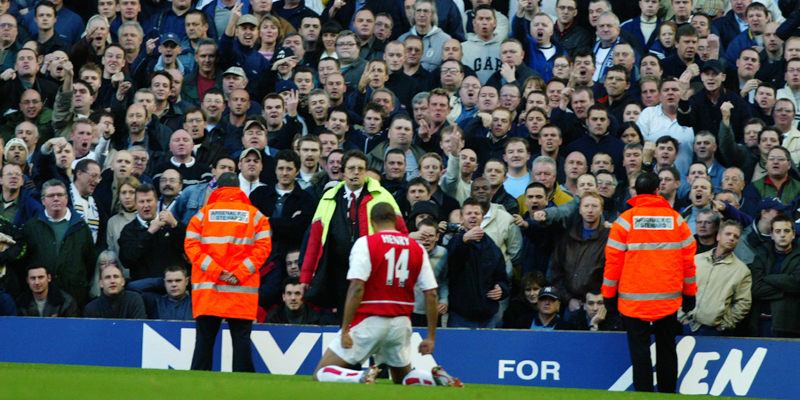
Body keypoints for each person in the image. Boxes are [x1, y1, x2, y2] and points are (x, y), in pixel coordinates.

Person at [313, 202, 461, 387]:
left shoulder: (366, 243)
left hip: (370, 320)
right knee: (402, 377)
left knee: (320, 373)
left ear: (372, 221)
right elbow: (431, 294)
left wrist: (345, 329)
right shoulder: (416, 248)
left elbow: (357, 287)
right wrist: (431, 336)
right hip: (401, 323)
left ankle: (360, 377)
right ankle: (434, 379)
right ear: (395, 220)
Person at [603, 171, 697, 393]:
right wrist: (689, 293)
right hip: (668, 300)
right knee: (667, 349)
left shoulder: (624, 222)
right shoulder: (676, 220)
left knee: (640, 351)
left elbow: (612, 263)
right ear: (657, 190)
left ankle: (643, 395)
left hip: (632, 300)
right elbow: (688, 262)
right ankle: (667, 395)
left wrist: (608, 295)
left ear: (636, 191)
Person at [302, 150, 407, 313]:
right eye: (351, 168)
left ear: (366, 172)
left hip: (373, 273)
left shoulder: (383, 196)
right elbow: (315, 240)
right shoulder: (328, 197)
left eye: (360, 168)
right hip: (337, 275)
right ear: (343, 172)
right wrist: (306, 277)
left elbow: (401, 237)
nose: (356, 172)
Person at [187, 172, 272, 372]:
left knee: (204, 343)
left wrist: (217, 272)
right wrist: (239, 273)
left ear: (217, 189)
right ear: (239, 189)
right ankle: (244, 390)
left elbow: (191, 246)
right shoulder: (256, 216)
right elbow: (263, 249)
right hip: (241, 290)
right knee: (241, 341)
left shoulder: (202, 215)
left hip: (209, 290)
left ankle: (195, 387)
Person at [679, 220, 751, 336]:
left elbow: (743, 302)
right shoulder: (697, 260)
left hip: (717, 331)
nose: (732, 238)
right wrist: (682, 318)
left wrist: (723, 325)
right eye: (728, 234)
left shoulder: (742, 270)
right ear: (718, 236)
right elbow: (679, 287)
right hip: (688, 326)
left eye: (736, 236)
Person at [446, 199, 510, 328]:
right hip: (460, 316)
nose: (473, 216)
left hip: (487, 318)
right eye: (468, 213)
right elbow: (452, 262)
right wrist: (464, 240)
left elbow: (502, 278)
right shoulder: (454, 242)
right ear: (461, 219)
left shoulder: (492, 248)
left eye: (477, 213)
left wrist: (501, 290)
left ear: (482, 219)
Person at [127, 265, 193, 320]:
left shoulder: (195, 302)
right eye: (169, 281)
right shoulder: (155, 301)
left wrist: (193, 281)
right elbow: (133, 287)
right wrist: (161, 282)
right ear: (164, 282)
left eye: (178, 280)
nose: (174, 284)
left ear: (187, 281)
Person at [15, 265, 80, 317]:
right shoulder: (21, 303)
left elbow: (71, 328)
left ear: (49, 278)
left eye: (41, 277)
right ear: (27, 280)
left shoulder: (66, 302)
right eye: (33, 278)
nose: (37, 282)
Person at [509, 286, 576, 330]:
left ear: (558, 305)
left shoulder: (567, 329)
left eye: (552, 300)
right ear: (537, 304)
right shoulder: (521, 324)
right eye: (543, 299)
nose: (547, 303)